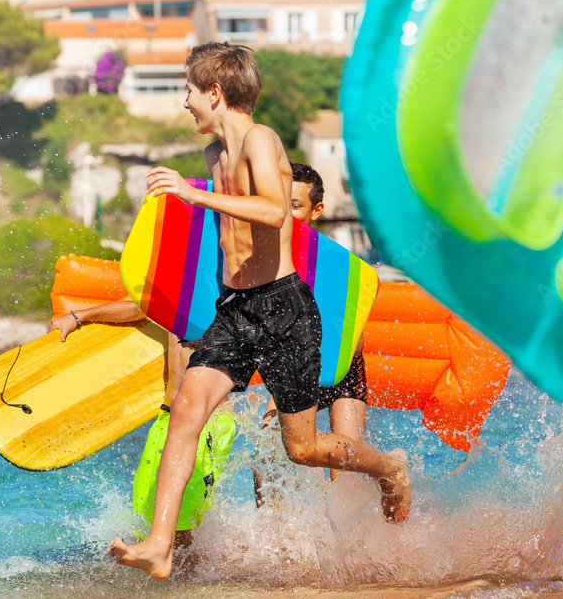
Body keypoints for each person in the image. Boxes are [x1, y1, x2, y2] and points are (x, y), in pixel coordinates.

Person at [108, 41, 410, 579]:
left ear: (216, 94)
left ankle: (389, 468)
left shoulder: (260, 141)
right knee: (186, 411)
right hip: (234, 309)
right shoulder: (214, 157)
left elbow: (274, 211)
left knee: (303, 447)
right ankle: (160, 544)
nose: (185, 103)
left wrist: (194, 196)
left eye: (189, 92)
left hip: (282, 309)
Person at [49, 302, 236, 553]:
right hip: (170, 419)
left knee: (179, 520)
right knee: (149, 511)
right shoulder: (183, 290)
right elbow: (144, 304)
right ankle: (176, 577)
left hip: (202, 422)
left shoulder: (229, 292)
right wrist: (79, 316)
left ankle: (184, 586)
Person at [254, 163, 368, 506]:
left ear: (317, 210)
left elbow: (357, 340)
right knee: (267, 455)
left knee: (344, 465)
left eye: (295, 206)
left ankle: (355, 544)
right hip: (295, 366)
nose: (284, 213)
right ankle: (277, 544)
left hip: (342, 367)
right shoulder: (265, 261)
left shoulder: (337, 265)